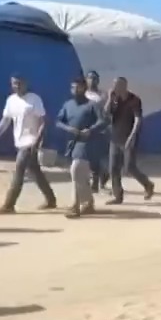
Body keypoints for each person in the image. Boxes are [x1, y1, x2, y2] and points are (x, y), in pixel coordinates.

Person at [0, 75, 56, 214]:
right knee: (35, 171)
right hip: (19, 141)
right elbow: (5, 121)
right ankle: (51, 199)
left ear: (26, 83)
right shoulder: (11, 100)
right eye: (14, 83)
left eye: (19, 83)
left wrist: (37, 141)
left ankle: (9, 205)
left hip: (30, 141)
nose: (17, 86)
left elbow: (43, 121)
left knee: (19, 170)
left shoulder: (34, 99)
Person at [54, 76, 103, 218]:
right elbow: (58, 122)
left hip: (88, 143)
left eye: (78, 87)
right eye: (73, 87)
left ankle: (75, 206)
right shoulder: (68, 105)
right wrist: (69, 129)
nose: (75, 90)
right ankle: (87, 203)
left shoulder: (92, 105)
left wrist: (90, 130)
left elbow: (104, 120)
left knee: (76, 170)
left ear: (84, 89)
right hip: (72, 142)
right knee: (79, 175)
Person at [103, 76, 154, 203]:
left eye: (118, 85)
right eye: (114, 85)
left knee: (130, 168)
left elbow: (138, 119)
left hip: (129, 137)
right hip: (115, 138)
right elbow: (106, 113)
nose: (115, 88)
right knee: (113, 168)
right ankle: (117, 196)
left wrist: (132, 136)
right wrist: (109, 98)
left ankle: (147, 184)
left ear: (124, 86)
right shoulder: (114, 99)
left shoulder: (134, 99)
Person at [82, 70, 108, 192]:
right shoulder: (84, 95)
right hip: (88, 128)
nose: (91, 81)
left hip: (101, 128)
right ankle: (97, 180)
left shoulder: (103, 95)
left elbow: (107, 111)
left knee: (99, 157)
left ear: (98, 80)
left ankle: (100, 178)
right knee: (90, 157)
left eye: (94, 78)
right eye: (89, 78)